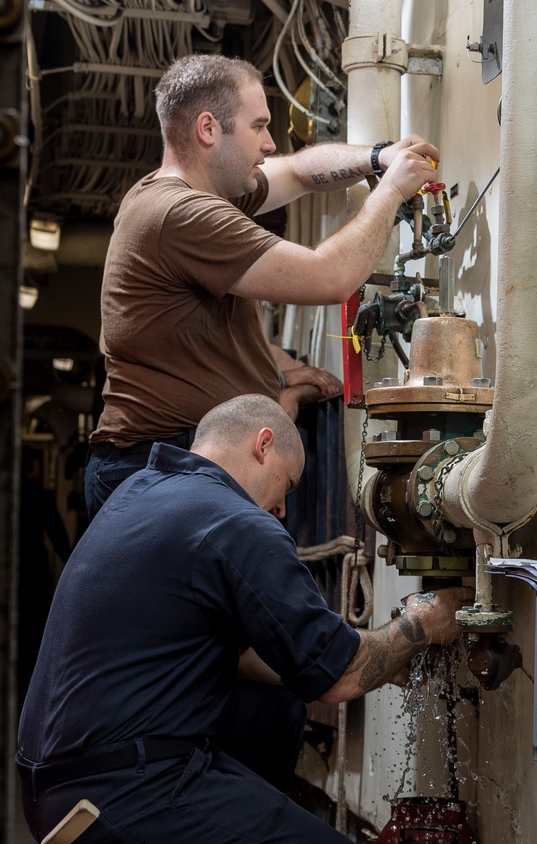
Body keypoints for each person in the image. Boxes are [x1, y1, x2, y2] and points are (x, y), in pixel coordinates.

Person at [18, 394, 470, 844]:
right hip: (116, 795)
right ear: (262, 445)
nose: (284, 509)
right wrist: (423, 623)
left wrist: (348, 653)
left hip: (59, 780)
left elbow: (248, 662)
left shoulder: (144, 492)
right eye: (285, 487)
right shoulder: (236, 523)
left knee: (274, 707)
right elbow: (336, 678)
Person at [87, 53, 439, 517]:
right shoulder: (184, 214)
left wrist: (378, 157)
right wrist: (391, 190)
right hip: (160, 465)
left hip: (180, 460)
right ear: (209, 129)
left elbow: (297, 172)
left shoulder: (188, 194)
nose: (270, 143)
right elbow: (328, 277)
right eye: (258, 126)